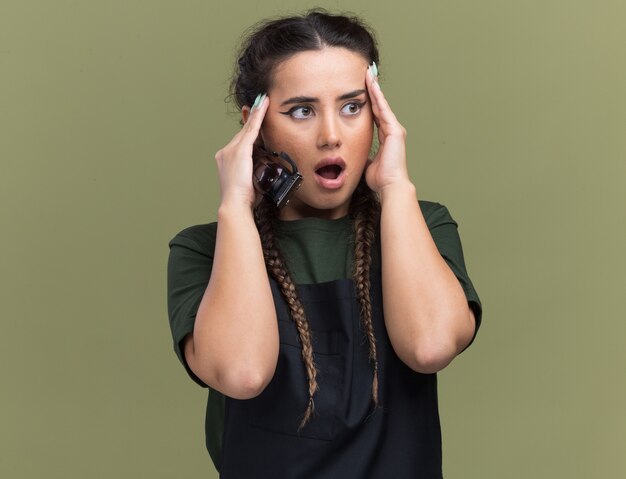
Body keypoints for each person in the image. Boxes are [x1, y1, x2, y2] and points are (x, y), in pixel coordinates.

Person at [167, 9, 482, 479]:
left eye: (353, 107)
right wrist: (235, 206)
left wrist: (395, 186)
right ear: (254, 124)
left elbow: (431, 346)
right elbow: (242, 374)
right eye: (301, 110)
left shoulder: (422, 225)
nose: (331, 135)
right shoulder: (205, 250)